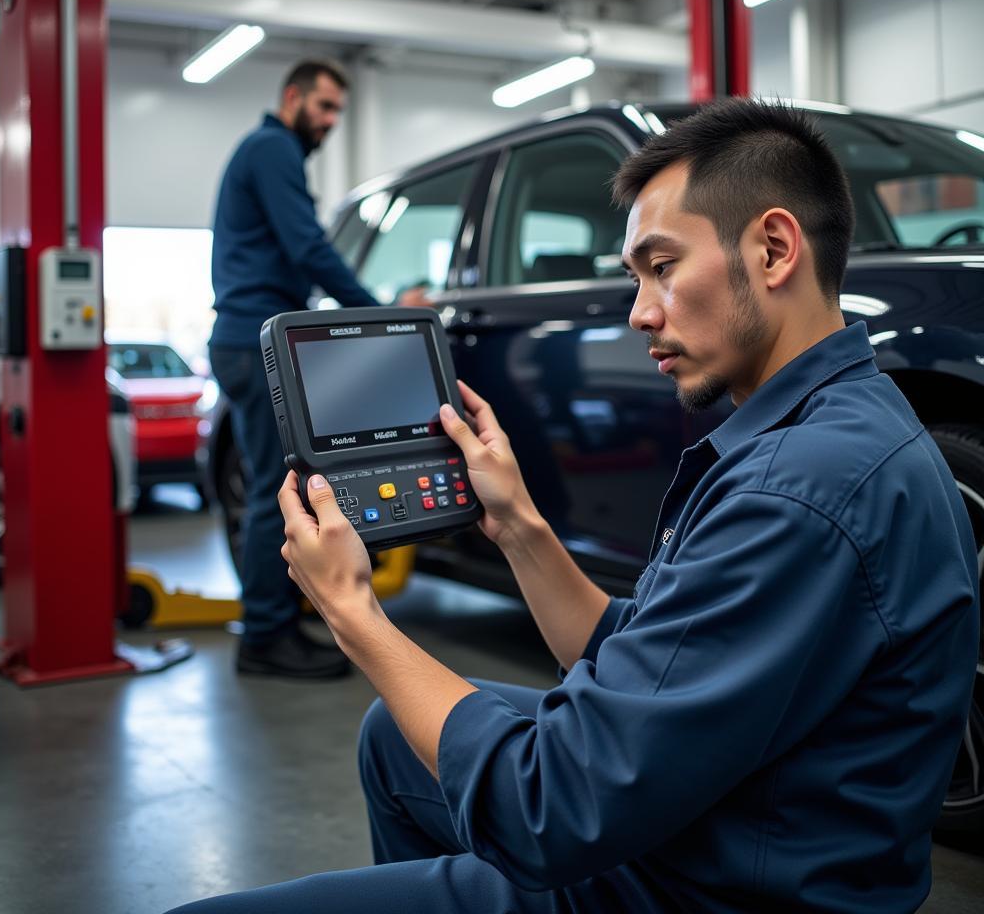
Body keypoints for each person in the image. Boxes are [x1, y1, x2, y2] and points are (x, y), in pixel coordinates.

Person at [171, 99, 979, 912]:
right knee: (395, 738)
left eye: (662, 266)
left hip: (703, 886)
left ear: (773, 249)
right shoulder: (847, 423)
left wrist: (351, 610)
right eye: (635, 277)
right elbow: (645, 651)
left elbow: (546, 815)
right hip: (749, 824)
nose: (639, 312)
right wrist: (517, 523)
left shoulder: (793, 491)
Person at [209, 59, 379, 679]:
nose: (331, 122)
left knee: (286, 488)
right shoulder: (272, 149)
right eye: (325, 107)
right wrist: (377, 311)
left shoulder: (267, 151)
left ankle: (278, 615)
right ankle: (263, 637)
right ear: (292, 98)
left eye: (338, 111)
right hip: (256, 339)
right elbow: (307, 246)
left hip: (253, 336)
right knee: (270, 493)